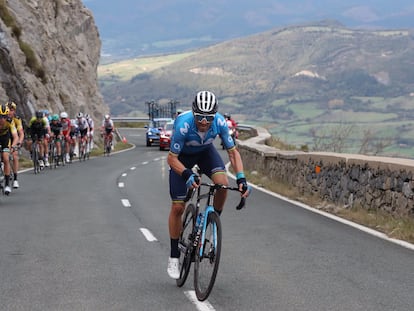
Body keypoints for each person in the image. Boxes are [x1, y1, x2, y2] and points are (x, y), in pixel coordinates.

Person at [166, 90, 251, 279]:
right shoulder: (183, 124)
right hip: (182, 160)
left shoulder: (220, 122)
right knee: (178, 208)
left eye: (208, 118)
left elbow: (233, 153)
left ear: (215, 115)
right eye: (200, 117)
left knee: (222, 183)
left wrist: (242, 178)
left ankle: (213, 222)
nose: (204, 122)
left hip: (205, 153)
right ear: (194, 113)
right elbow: (171, 159)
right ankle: (173, 255)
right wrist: (187, 173)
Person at [0, 104, 19, 195]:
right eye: (0, 116)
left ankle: (7, 184)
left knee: (6, 158)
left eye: (4, 116)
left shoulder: (10, 121)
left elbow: (15, 137)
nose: (2, 119)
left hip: (5, 139)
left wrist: (13, 146)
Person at [7, 101, 24, 188]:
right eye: (8, 109)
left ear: (14, 111)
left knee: (14, 155)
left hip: (14, 137)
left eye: (12, 110)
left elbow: (20, 133)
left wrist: (19, 143)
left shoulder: (17, 119)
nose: (10, 112)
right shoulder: (3, 118)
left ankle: (15, 178)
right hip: (5, 136)